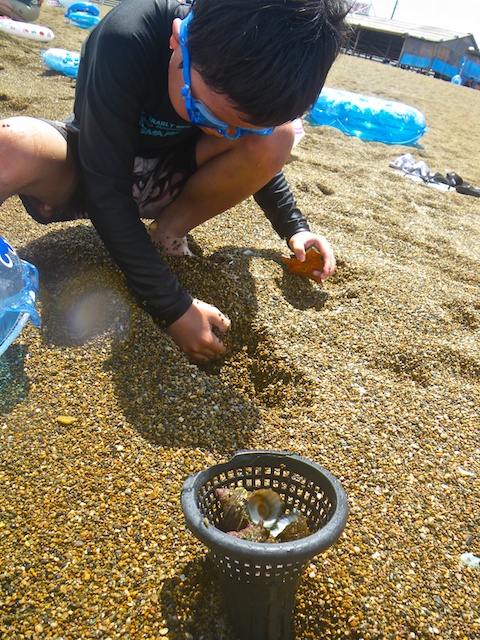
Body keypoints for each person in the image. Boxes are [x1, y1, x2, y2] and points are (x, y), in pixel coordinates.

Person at [0, 0, 348, 363]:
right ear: (178, 40)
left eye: (241, 128)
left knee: (278, 136)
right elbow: (106, 186)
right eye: (205, 112)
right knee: (9, 145)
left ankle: (167, 234)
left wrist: (294, 228)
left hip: (171, 178)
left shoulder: (230, 99)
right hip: (92, 166)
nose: (222, 133)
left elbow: (258, 148)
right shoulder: (129, 33)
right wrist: (172, 306)